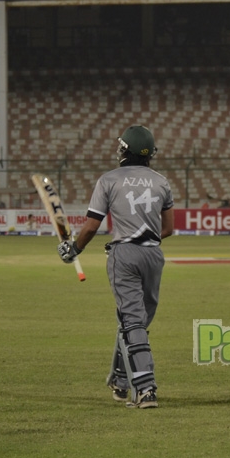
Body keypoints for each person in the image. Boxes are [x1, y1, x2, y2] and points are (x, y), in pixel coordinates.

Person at [58, 125, 175, 409]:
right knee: (137, 321)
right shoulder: (161, 182)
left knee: (131, 321)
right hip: (153, 256)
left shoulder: (109, 180)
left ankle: (146, 389)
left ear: (125, 150)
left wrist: (73, 249)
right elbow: (169, 229)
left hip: (124, 255)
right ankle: (121, 381)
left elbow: (91, 226)